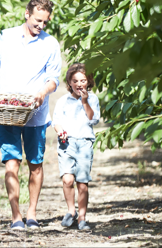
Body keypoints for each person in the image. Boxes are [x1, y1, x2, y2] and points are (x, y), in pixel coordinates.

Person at [0, 0, 62, 231]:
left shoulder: (50, 44)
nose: (41, 26)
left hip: (36, 114)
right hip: (8, 110)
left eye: (45, 22)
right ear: (27, 14)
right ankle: (16, 215)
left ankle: (32, 213)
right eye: (38, 20)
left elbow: (53, 79)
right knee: (11, 162)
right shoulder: (5, 37)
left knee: (35, 164)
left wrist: (42, 92)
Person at [52, 63, 100, 231]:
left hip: (84, 143)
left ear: (88, 82)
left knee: (82, 183)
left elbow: (93, 119)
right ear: (69, 82)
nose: (79, 84)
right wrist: (60, 131)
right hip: (67, 143)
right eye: (75, 80)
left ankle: (82, 217)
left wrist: (85, 101)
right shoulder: (63, 101)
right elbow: (56, 121)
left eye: (83, 80)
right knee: (67, 179)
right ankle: (71, 211)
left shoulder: (92, 99)